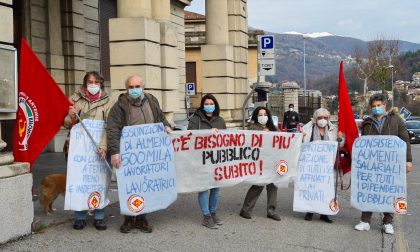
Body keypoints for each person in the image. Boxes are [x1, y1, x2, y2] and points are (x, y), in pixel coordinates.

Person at [106, 75, 172, 234]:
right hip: (129, 154)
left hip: (149, 153)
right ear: (126, 89)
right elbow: (112, 129)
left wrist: (167, 127)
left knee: (145, 186)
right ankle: (129, 220)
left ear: (143, 87)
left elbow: (161, 118)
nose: (134, 89)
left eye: (137, 86)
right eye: (131, 87)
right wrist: (115, 152)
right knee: (129, 186)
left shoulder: (151, 100)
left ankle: (142, 219)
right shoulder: (119, 106)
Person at [354, 94, 412, 235]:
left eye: (379, 105)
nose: (376, 108)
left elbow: (405, 140)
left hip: (391, 165)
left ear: (385, 105)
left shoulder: (396, 120)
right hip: (371, 165)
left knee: (389, 192)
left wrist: (408, 160)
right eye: (373, 106)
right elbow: (362, 143)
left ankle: (388, 222)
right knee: (370, 191)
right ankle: (365, 221)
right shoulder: (368, 122)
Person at [63, 71, 111, 231]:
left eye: (96, 82)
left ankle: (99, 216)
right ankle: (80, 217)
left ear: (101, 85)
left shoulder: (108, 102)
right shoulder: (74, 99)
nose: (93, 85)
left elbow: (109, 126)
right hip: (79, 151)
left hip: (99, 149)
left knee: (99, 181)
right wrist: (69, 115)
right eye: (90, 82)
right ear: (85, 84)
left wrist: (104, 146)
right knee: (79, 180)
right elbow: (66, 124)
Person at [188, 94, 226, 229]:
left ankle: (213, 212)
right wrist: (207, 133)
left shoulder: (220, 120)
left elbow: (226, 141)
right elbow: (190, 137)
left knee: (215, 189)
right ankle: (206, 216)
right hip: (201, 160)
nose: (209, 106)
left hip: (216, 160)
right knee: (203, 188)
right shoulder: (195, 120)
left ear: (215, 105)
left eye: (211, 103)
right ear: (203, 105)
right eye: (207, 103)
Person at [301, 108, 343, 223]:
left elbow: (340, 144)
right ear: (315, 119)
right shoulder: (306, 128)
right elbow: (301, 144)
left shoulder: (334, 130)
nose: (322, 120)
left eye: (325, 118)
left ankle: (325, 213)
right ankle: (310, 210)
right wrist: (300, 137)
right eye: (320, 118)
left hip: (328, 164)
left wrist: (340, 137)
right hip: (312, 164)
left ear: (328, 119)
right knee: (312, 187)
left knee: (326, 188)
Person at [239, 107, 281, 221]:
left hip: (272, 161)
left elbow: (282, 141)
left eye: (265, 114)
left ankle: (271, 211)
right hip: (259, 162)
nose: (263, 117)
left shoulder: (274, 128)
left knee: (273, 186)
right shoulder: (253, 128)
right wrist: (262, 134)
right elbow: (249, 141)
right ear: (256, 117)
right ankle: (245, 210)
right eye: (260, 114)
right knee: (258, 185)